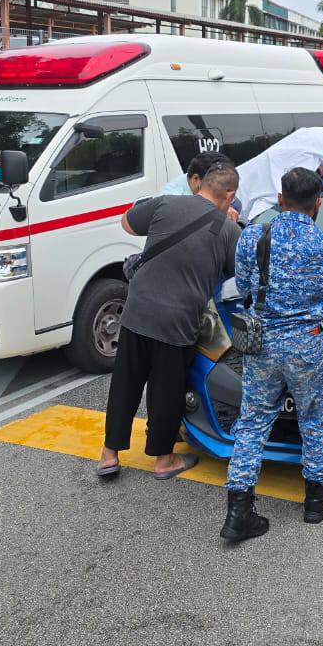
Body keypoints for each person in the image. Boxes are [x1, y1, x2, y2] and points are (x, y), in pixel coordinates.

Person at [223, 167, 323, 541]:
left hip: (261, 345)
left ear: (280, 199)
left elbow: (243, 285)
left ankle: (239, 509)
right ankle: (314, 499)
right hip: (307, 344)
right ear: (318, 203)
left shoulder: (251, 239)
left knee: (254, 421)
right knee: (315, 416)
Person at [98, 164, 242, 481]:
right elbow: (236, 273)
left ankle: (109, 455)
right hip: (178, 321)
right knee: (167, 389)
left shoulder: (166, 203)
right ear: (229, 194)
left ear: (200, 184)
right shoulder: (228, 229)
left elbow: (126, 222)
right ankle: (164, 460)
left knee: (125, 383)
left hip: (137, 310)